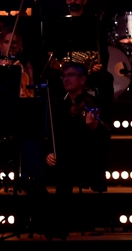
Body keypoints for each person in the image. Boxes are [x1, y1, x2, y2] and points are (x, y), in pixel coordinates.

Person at [46, 62, 109, 202]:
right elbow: (53, 135)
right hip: (62, 160)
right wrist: (49, 153)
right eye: (64, 76)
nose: (66, 79)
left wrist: (93, 128)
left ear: (82, 79)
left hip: (85, 159)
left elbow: (103, 139)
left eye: (71, 75)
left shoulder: (93, 102)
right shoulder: (58, 105)